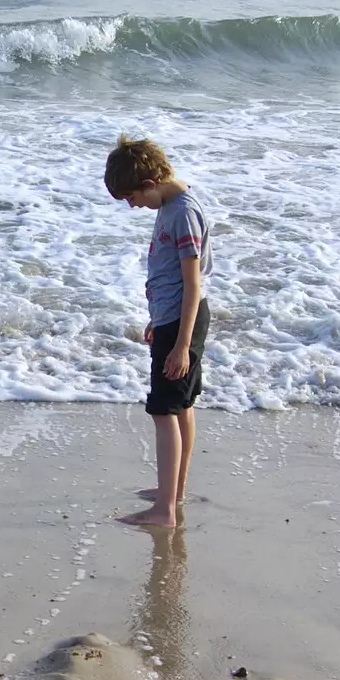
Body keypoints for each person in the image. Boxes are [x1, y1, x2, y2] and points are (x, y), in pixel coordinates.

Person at [103, 134, 213, 528]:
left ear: (149, 184)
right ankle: (173, 491)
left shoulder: (182, 212)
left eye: (132, 197)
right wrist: (158, 317)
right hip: (173, 318)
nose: (133, 205)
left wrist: (181, 344)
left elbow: (193, 282)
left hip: (182, 323)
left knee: (164, 411)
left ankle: (164, 511)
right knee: (181, 406)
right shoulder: (170, 205)